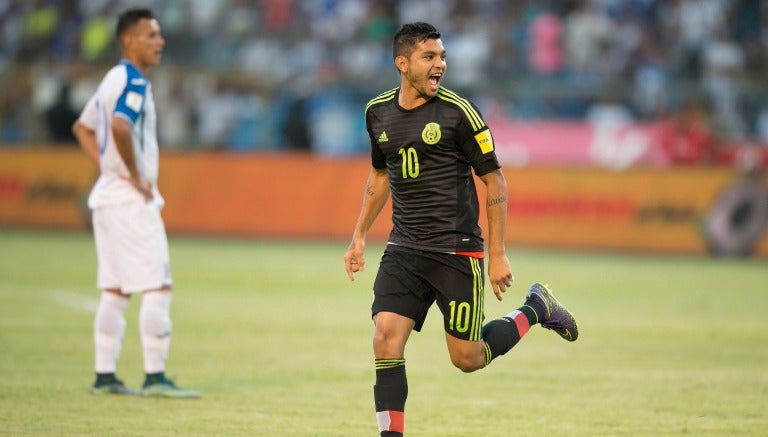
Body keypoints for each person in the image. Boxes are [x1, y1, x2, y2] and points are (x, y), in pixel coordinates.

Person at [343, 22, 578, 436]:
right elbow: (380, 176)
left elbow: (495, 180)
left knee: (467, 358)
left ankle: (535, 308)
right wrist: (359, 234)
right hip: (405, 248)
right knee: (385, 340)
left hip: (457, 251)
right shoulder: (376, 112)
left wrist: (498, 253)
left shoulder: (458, 113)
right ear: (402, 63)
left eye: (443, 57)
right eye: (429, 57)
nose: (440, 65)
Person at [71, 7, 199, 398]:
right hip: (129, 200)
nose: (160, 42)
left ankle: (105, 375)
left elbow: (82, 127)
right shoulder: (135, 82)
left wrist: (109, 169)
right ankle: (155, 376)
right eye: (151, 36)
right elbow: (120, 126)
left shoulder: (111, 78)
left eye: (159, 35)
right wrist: (133, 175)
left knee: (115, 289)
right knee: (158, 285)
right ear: (129, 40)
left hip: (107, 199)